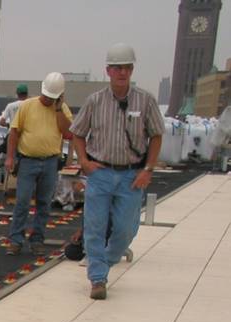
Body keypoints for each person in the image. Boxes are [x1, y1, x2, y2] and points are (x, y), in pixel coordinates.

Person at [70, 43, 163, 300]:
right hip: (100, 173)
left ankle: (106, 260)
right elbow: (77, 133)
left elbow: (156, 136)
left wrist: (149, 169)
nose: (122, 72)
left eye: (127, 68)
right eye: (117, 68)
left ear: (132, 71)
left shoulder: (145, 101)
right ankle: (97, 278)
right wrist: (85, 161)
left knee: (125, 230)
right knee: (95, 227)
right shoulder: (95, 101)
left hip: (131, 176)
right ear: (108, 71)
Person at [5, 72, 73, 255]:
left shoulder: (62, 109)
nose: (48, 100)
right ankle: (16, 240)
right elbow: (14, 133)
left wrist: (58, 109)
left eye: (52, 97)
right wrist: (10, 157)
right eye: (47, 96)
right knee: (23, 201)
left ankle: (37, 239)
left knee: (44, 203)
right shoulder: (27, 106)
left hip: (50, 162)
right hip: (28, 161)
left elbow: (68, 133)